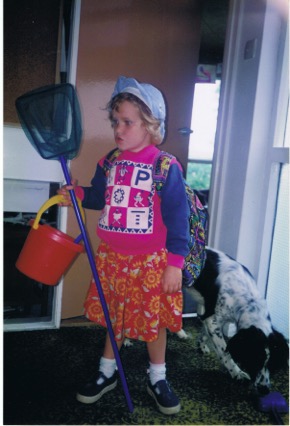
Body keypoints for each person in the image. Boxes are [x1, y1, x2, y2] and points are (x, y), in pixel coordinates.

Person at [58, 76, 190, 415]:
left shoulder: (165, 166)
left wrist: (175, 262)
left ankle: (157, 377)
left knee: (152, 321)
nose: (118, 128)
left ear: (150, 125)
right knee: (113, 318)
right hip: (112, 259)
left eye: (127, 122)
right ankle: (106, 373)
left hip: (151, 263)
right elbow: (99, 196)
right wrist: (79, 195)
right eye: (115, 121)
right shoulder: (110, 161)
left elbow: (178, 218)